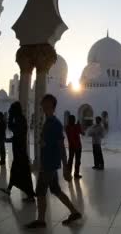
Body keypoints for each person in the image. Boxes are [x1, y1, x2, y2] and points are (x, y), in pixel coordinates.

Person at [26, 94, 82, 229]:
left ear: (53, 106)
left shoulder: (55, 124)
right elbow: (49, 141)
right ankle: (74, 212)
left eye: (47, 104)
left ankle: (41, 220)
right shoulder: (48, 122)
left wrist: (66, 167)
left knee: (40, 191)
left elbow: (61, 146)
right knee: (56, 190)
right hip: (48, 162)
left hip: (49, 164)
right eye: (43, 104)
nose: (44, 106)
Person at [0, 102, 35, 202]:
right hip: (18, 151)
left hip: (20, 152)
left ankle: (30, 195)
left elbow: (17, 133)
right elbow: (16, 135)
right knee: (15, 171)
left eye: (11, 109)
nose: (10, 111)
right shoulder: (20, 119)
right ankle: (9, 189)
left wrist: (10, 118)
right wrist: (9, 140)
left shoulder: (20, 119)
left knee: (23, 173)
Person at [65, 115, 84, 179]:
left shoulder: (68, 127)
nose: (73, 120)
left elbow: (82, 133)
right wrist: (79, 126)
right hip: (76, 146)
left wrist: (79, 127)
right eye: (72, 119)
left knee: (72, 160)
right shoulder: (72, 127)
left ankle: (71, 173)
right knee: (74, 160)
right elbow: (82, 133)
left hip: (73, 146)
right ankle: (75, 174)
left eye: (73, 119)